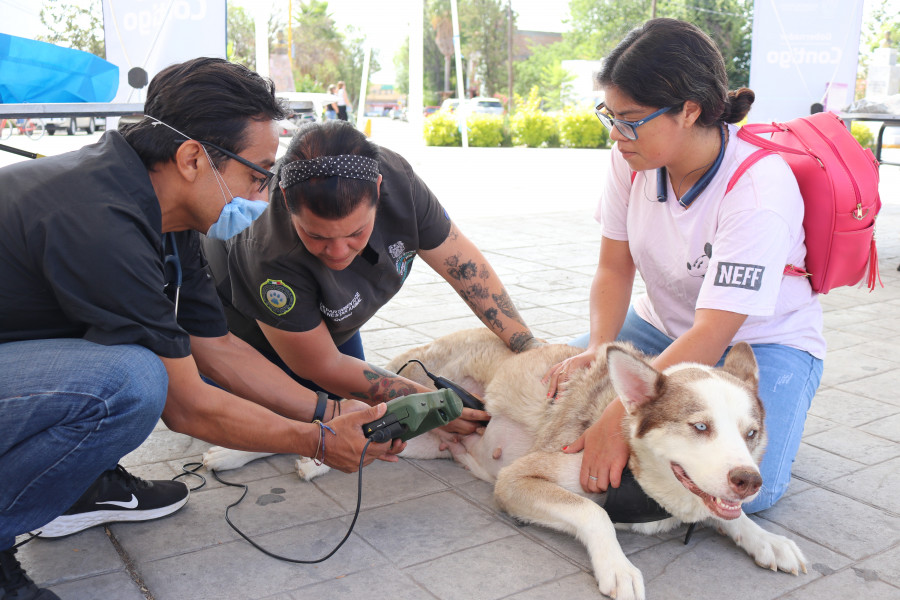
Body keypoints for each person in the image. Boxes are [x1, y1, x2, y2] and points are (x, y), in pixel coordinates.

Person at [0, 58, 401, 600]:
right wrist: (317, 441)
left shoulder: (166, 213)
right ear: (193, 158)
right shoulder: (102, 221)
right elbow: (186, 405)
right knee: (130, 383)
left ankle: (78, 485)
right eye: (258, 174)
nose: (263, 197)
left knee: (135, 369)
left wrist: (330, 411)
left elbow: (217, 348)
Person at [543, 18, 825, 514]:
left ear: (689, 110)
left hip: (756, 343)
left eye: (628, 119)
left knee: (746, 492)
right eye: (608, 116)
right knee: (549, 387)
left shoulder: (757, 190)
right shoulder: (632, 161)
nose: (615, 135)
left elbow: (716, 332)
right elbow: (613, 268)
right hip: (660, 328)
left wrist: (615, 420)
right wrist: (598, 348)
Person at [202, 119, 540, 436]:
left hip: (331, 326)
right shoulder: (265, 248)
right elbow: (322, 364)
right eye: (316, 236)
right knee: (274, 426)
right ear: (288, 199)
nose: (337, 252)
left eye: (356, 232)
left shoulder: (397, 178)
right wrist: (428, 405)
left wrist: (527, 345)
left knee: (359, 402)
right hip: (244, 339)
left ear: (379, 190)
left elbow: (464, 267)